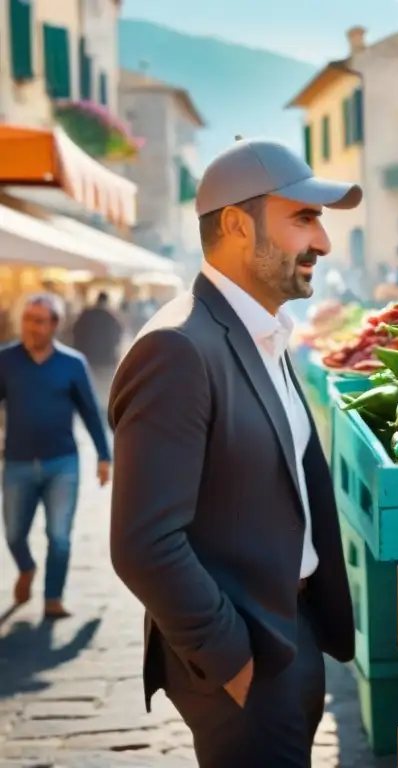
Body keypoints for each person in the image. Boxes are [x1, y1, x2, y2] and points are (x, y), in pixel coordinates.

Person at [108, 137, 360, 767]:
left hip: (287, 631)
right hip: (243, 655)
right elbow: (143, 542)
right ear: (237, 226)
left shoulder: (264, 331)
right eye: (303, 217)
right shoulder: (178, 348)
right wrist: (232, 659)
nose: (323, 243)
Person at [0, 292, 110, 619]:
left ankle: (53, 597)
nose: (31, 328)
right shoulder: (5, 360)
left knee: (59, 536)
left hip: (63, 464)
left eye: (39, 321)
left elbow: (91, 413)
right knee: (15, 534)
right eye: (27, 320)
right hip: (18, 463)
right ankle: (26, 567)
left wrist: (105, 457)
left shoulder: (72, 364)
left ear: (54, 325)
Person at [71, 291, 124, 395]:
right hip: (106, 358)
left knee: (89, 387)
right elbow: (118, 335)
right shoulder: (112, 316)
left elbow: (75, 332)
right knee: (104, 389)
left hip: (87, 356)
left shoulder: (86, 314)